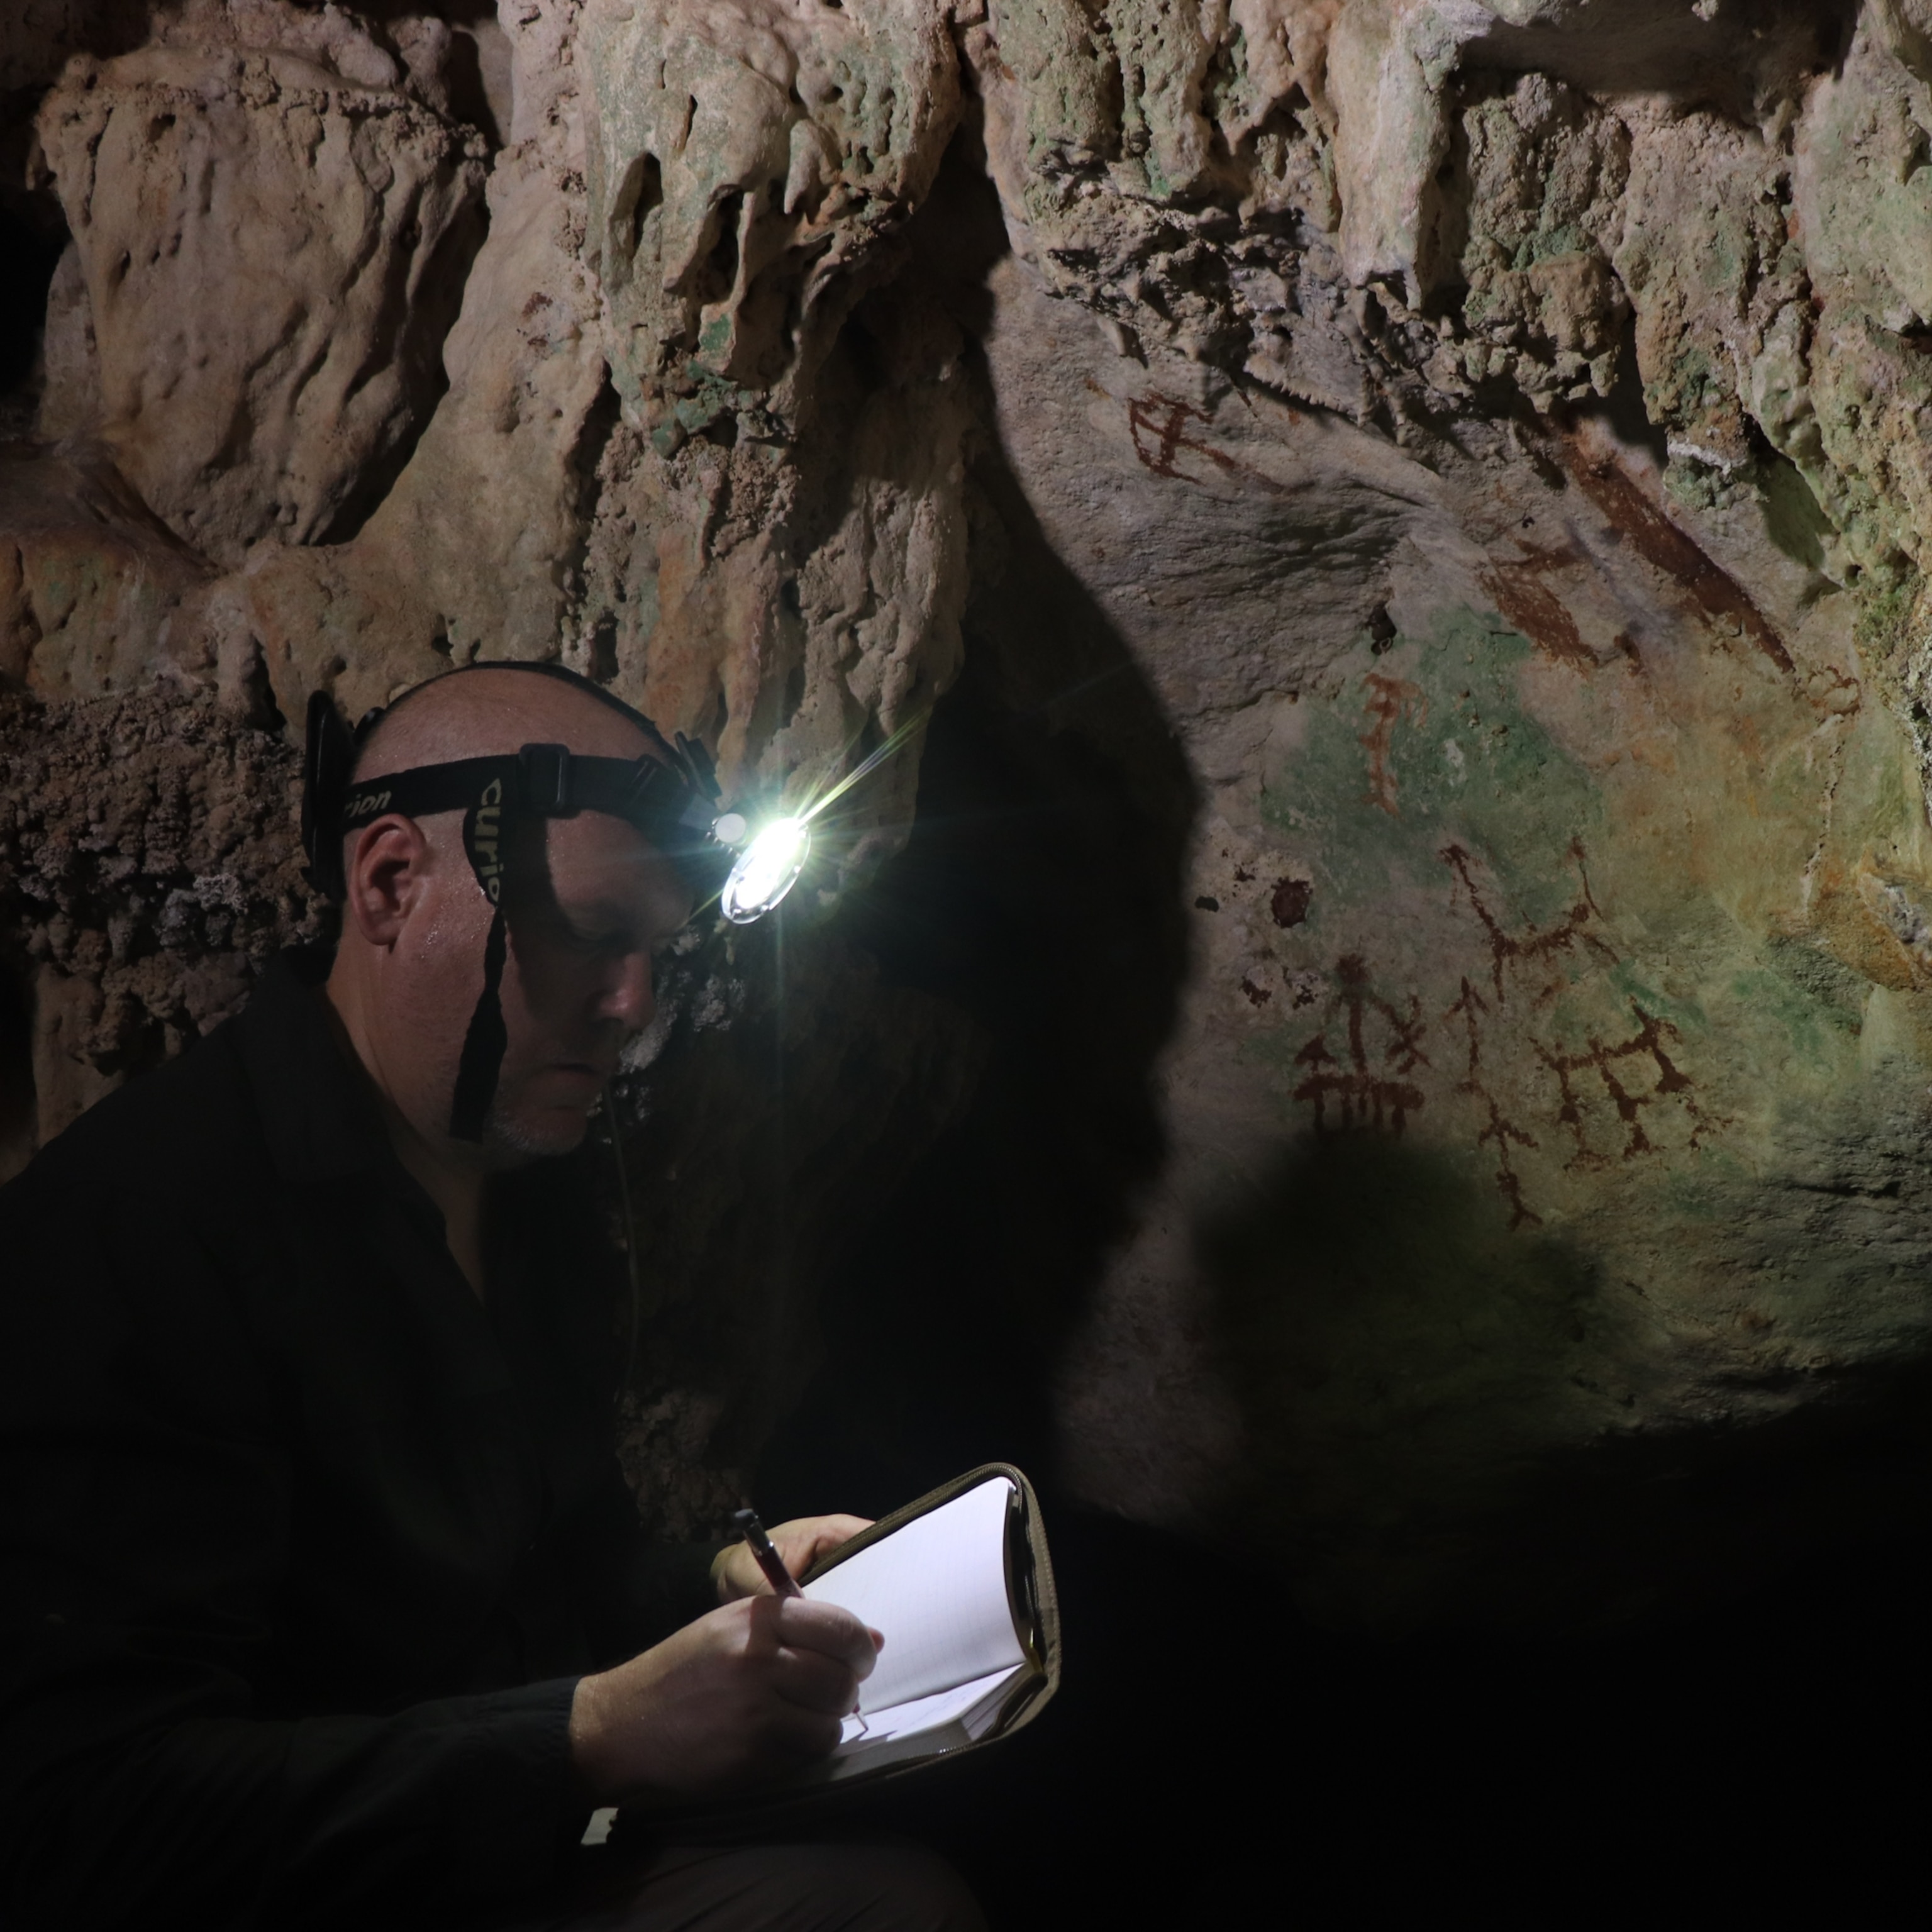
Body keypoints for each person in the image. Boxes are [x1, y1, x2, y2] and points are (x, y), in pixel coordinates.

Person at [0, 665, 985, 1931]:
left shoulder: (534, 1194)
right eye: (591, 930)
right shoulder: (136, 1236)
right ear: (393, 884)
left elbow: (543, 1589)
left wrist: (728, 1586)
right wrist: (591, 1735)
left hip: (502, 1850)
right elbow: (84, 1816)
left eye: (658, 954)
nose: (633, 1008)